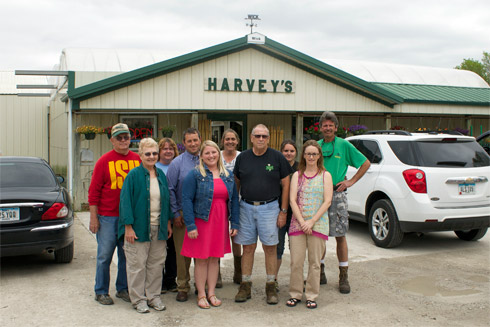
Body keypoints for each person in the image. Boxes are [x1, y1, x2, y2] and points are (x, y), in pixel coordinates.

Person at [233, 124, 293, 305]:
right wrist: (235, 209)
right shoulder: (242, 158)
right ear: (251, 138)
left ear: (268, 138)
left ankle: (270, 285)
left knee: (270, 248)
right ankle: (245, 284)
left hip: (270, 208)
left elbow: (286, 185)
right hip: (246, 207)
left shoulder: (278, 157)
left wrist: (283, 211)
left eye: (264, 136)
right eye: (257, 136)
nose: (261, 139)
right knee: (248, 248)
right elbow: (236, 183)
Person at [181, 140, 240, 309]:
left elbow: (234, 199)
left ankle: (211, 292)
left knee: (214, 259)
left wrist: (234, 222)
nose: (211, 156)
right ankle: (201, 294)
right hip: (201, 221)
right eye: (207, 153)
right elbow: (186, 199)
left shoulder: (227, 175)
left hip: (220, 222)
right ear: (201, 156)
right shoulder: (195, 175)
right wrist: (191, 225)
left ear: (218, 154)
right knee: (201, 260)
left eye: (213, 152)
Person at [88, 123, 141, 305]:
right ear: (112, 140)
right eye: (119, 137)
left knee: (127, 255)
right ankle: (101, 291)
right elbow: (93, 192)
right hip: (108, 217)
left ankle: (123, 288)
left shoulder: (138, 159)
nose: (123, 140)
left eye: (126, 136)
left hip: (130, 218)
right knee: (105, 255)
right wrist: (94, 217)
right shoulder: (104, 161)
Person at [318, 111, 371, 294]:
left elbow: (365, 163)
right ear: (321, 128)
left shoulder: (344, 145)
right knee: (320, 236)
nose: (327, 128)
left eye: (330, 125)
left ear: (335, 127)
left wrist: (350, 181)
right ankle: (320, 272)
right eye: (324, 125)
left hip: (337, 195)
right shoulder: (316, 146)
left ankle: (343, 275)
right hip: (318, 196)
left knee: (340, 235)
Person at [119, 138, 173, 313]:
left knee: (156, 264)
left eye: (154, 153)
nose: (151, 156)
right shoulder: (133, 176)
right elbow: (125, 201)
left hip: (159, 227)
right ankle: (138, 299)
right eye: (147, 153)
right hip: (138, 228)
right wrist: (128, 226)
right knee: (137, 265)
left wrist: (168, 223)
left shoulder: (161, 175)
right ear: (141, 155)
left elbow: (166, 201)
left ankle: (153, 296)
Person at [286, 140, 333, 309]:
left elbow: (327, 201)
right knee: (296, 262)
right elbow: (292, 200)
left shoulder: (325, 175)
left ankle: (312, 295)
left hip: (318, 224)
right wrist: (302, 222)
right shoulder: (297, 175)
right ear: (303, 156)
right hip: (297, 224)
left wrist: (312, 222)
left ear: (319, 155)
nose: (311, 157)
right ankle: (295, 293)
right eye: (308, 154)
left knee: (315, 262)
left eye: (314, 154)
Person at [166, 127, 201, 302]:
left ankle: (202, 286)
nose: (193, 143)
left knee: (203, 252)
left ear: (200, 140)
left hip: (203, 213)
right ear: (184, 143)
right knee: (182, 254)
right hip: (181, 214)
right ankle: (182, 286)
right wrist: (175, 213)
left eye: (195, 140)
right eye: (189, 141)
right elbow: (170, 188)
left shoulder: (208, 159)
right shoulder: (177, 163)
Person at [156, 138, 179, 294]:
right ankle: (158, 281)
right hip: (158, 214)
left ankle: (170, 280)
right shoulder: (154, 167)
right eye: (164, 149)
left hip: (174, 213)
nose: (168, 151)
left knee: (173, 250)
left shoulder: (177, 166)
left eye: (171, 148)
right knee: (158, 250)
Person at [275, 139, 298, 290]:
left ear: (296, 153)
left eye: (291, 151)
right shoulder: (276, 167)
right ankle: (274, 279)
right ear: (281, 151)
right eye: (286, 151)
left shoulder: (300, 169)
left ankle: (297, 280)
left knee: (297, 249)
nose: (288, 154)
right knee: (278, 247)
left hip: (296, 214)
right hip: (278, 212)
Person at [220, 128, 242, 285]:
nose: (230, 142)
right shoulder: (217, 156)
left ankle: (238, 271)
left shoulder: (242, 157)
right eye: (227, 139)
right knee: (219, 236)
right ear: (222, 141)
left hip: (238, 201)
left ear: (237, 141)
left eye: (233, 139)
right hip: (219, 201)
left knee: (236, 236)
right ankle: (217, 271)